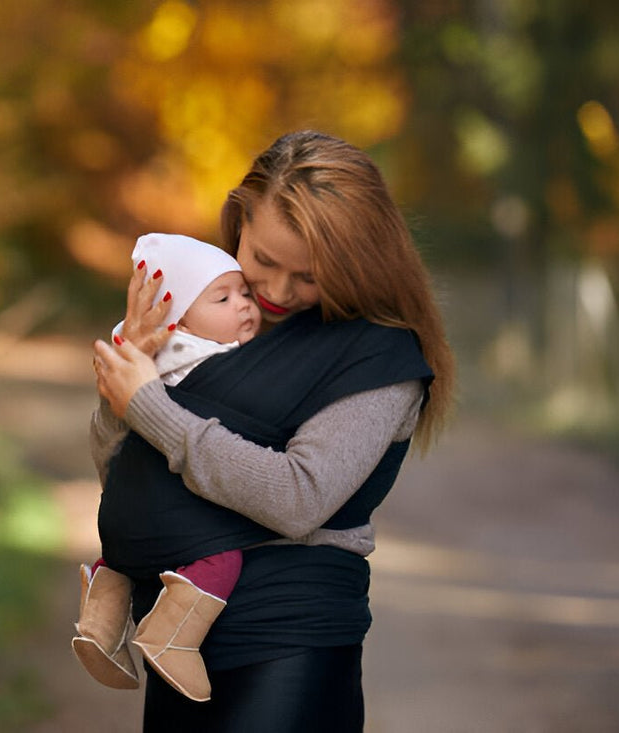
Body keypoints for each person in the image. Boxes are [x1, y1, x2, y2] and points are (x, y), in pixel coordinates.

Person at [89, 130, 456, 731]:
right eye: (263, 260)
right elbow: (127, 476)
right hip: (175, 641)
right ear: (239, 221)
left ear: (359, 263)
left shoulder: (378, 357)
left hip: (289, 643)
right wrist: (124, 383)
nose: (278, 293)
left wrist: (149, 405)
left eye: (309, 276)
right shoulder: (215, 318)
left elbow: (297, 498)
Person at [73, 231, 262, 702]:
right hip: (176, 512)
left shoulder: (139, 357)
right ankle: (173, 637)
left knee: (125, 557)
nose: (244, 305)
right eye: (223, 298)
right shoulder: (213, 359)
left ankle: (100, 622)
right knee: (221, 558)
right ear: (180, 319)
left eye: (245, 293)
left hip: (121, 508)